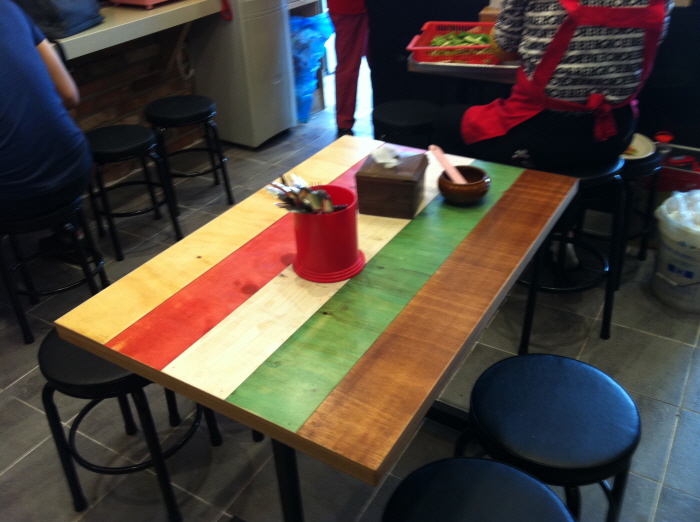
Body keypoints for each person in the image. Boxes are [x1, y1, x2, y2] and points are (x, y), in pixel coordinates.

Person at [435, 0, 673, 172]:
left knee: (445, 121)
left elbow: (505, 50)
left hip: (541, 137)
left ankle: (507, 216)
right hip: (613, 137)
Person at [0, 0, 92, 222]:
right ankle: (71, 232)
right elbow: (70, 95)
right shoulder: (8, 8)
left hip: (16, 196)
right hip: (76, 168)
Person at [327, 0, 369, 138]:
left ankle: (345, 121)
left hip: (353, 7)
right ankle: (344, 121)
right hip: (349, 6)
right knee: (348, 65)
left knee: (380, 61)